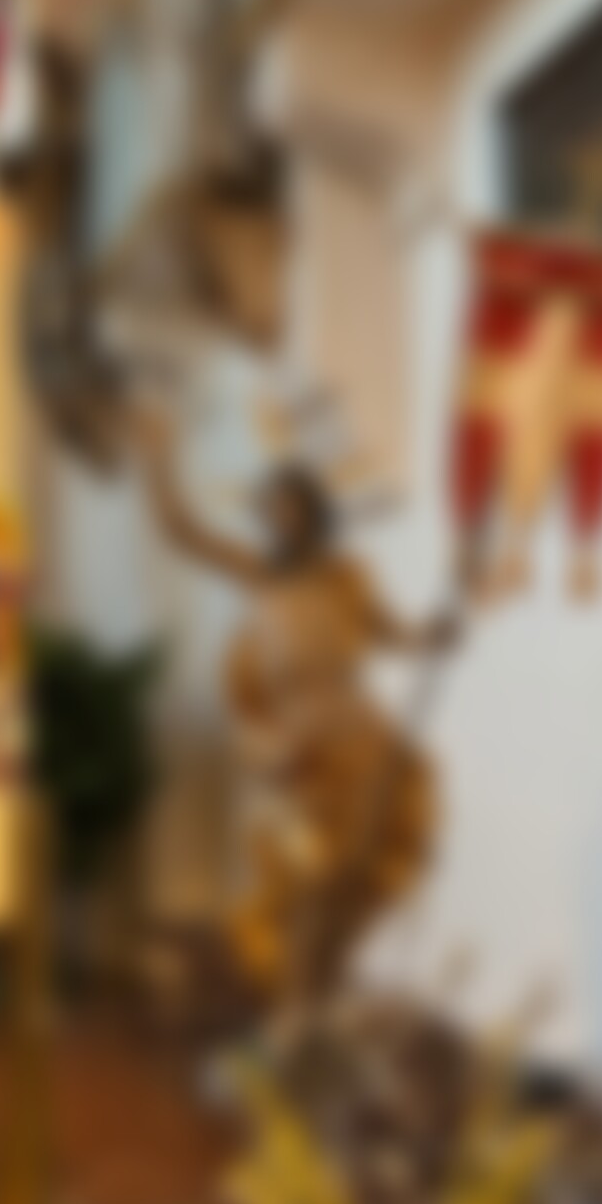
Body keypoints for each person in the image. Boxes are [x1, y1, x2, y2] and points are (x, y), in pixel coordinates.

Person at [129, 403, 455, 1011]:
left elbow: (394, 632)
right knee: (300, 886)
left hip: (362, 742)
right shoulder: (258, 575)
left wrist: (431, 635)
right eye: (272, 506)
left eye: (294, 504)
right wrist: (158, 460)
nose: (282, 515)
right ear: (263, 515)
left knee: (356, 886)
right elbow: (179, 530)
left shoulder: (347, 578)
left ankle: (323, 1002)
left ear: (314, 513)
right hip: (300, 756)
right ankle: (294, 1011)